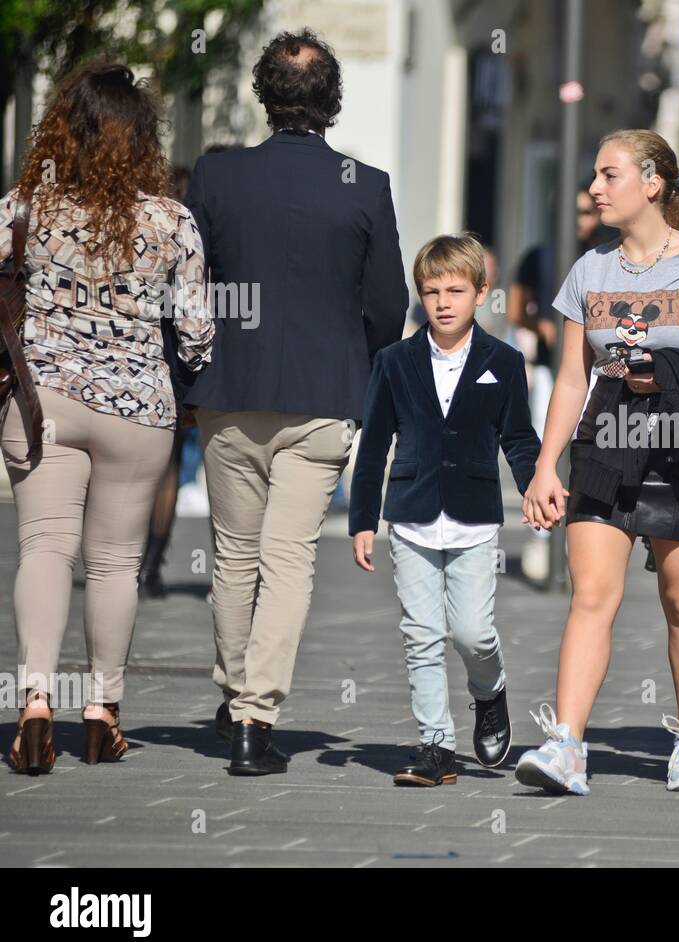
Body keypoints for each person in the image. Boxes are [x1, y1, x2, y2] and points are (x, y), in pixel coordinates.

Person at [514, 128, 679, 795]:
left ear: (651, 181)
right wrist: (547, 467)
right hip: (607, 441)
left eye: (608, 175)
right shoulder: (589, 270)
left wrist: (670, 370)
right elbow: (572, 379)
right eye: (594, 177)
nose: (595, 189)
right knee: (591, 596)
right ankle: (568, 744)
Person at [183, 30, 408, 775]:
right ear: (331, 100)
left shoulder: (216, 178)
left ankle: (234, 693)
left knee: (234, 557)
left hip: (229, 391)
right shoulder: (366, 184)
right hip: (322, 393)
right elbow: (386, 303)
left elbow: (188, 287)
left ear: (263, 92)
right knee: (287, 560)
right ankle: (254, 717)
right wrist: (361, 364)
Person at [1, 63, 213, 771]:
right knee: (117, 561)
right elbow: (196, 333)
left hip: (43, 403)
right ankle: (102, 710)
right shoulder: (171, 221)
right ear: (143, 138)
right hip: (138, 408)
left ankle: (34, 700)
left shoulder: (23, 208)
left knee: (44, 547)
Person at [349, 234, 539, 786]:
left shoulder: (503, 362)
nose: (443, 302)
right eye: (431, 292)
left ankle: (490, 692)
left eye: (456, 289)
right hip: (410, 515)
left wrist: (533, 486)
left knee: (472, 632)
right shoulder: (394, 362)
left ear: (482, 292)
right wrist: (364, 518)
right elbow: (375, 443)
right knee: (421, 633)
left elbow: (520, 438)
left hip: (475, 518)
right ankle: (436, 746)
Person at [507, 185, 611, 582]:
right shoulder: (539, 256)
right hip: (556, 369)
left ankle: (577, 539)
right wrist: (544, 326)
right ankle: (539, 536)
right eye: (575, 211)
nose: (582, 219)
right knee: (544, 445)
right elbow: (517, 309)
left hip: (601, 372)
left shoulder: (604, 256)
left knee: (590, 452)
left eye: (587, 211)